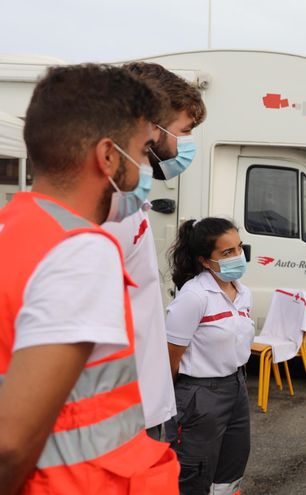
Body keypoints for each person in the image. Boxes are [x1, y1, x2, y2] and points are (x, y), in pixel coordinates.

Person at [0, 64, 179, 493]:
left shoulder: (15, 226)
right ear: (108, 156)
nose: (144, 171)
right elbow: (10, 445)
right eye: (141, 151)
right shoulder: (82, 250)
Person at [102, 61, 207, 442]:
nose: (186, 144)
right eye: (184, 131)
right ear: (150, 124)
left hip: (136, 403)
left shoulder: (129, 193)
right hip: (119, 413)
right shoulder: (111, 200)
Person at [164, 218, 254, 495]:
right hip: (200, 394)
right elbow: (169, 360)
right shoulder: (194, 296)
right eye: (227, 253)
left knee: (231, 470)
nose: (238, 257)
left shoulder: (242, 291)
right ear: (205, 260)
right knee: (193, 474)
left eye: (239, 248)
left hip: (236, 387)